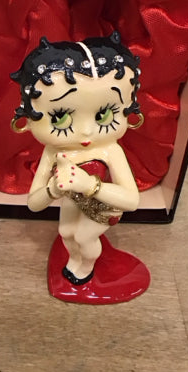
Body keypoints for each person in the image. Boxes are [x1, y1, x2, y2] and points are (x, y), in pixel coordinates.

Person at [10, 31, 150, 304]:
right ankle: (75, 261)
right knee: (66, 233)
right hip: (72, 201)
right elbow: (34, 203)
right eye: (60, 117)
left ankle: (85, 270)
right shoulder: (54, 151)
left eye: (104, 115)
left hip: (104, 205)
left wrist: (89, 185)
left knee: (84, 237)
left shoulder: (110, 150)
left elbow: (131, 200)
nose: (86, 131)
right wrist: (52, 189)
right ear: (28, 118)